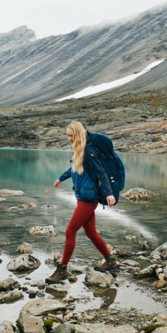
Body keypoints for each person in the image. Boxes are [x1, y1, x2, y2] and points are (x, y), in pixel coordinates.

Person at [45, 121, 119, 284]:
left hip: (88, 199)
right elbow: (74, 169)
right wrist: (61, 178)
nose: (69, 138)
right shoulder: (78, 151)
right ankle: (110, 261)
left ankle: (62, 269)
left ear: (78, 134)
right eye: (68, 135)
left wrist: (109, 193)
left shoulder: (87, 150)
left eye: (72, 135)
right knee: (90, 232)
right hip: (82, 197)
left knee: (70, 232)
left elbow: (101, 172)